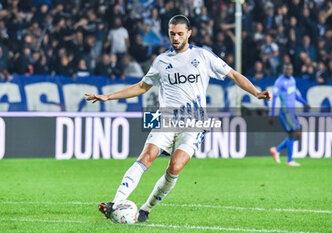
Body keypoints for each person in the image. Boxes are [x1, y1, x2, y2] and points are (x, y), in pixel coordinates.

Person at [85, 15, 271, 222]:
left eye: (180, 33)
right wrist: (108, 96)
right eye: (172, 33)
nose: (176, 37)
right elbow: (141, 87)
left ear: (189, 33)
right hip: (166, 118)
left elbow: (234, 75)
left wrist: (256, 93)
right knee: (147, 156)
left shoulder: (203, 56)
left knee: (174, 167)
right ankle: (115, 203)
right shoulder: (162, 61)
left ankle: (146, 209)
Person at [269, 63, 310, 167]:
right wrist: (273, 113)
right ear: (283, 70)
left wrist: (304, 102)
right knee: (293, 134)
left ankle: (277, 149)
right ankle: (290, 160)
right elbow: (274, 98)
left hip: (293, 111)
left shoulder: (292, 80)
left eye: (290, 69)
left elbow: (295, 94)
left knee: (297, 135)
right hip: (285, 111)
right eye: (287, 69)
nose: (288, 71)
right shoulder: (279, 82)